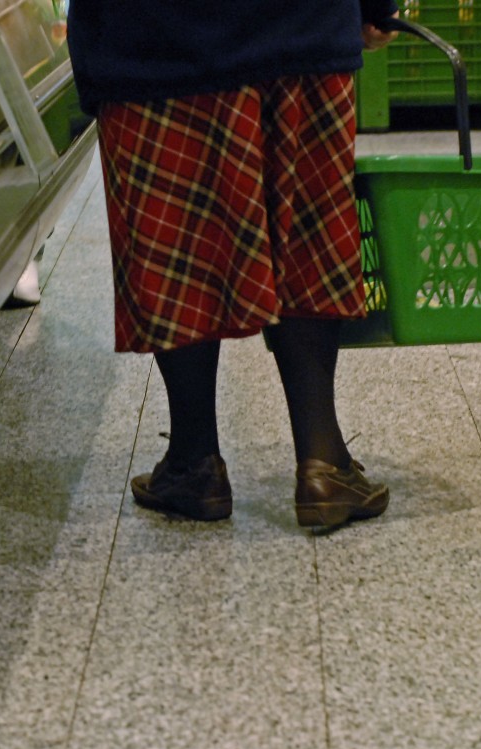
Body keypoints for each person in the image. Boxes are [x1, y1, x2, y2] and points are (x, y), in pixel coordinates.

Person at [66, 0, 399, 528]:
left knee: (176, 248)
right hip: (301, 26)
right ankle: (324, 464)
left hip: (151, 37)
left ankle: (194, 462)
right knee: (307, 237)